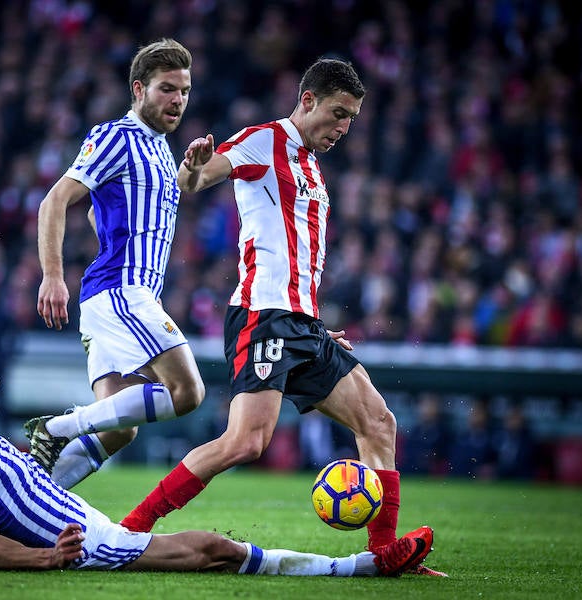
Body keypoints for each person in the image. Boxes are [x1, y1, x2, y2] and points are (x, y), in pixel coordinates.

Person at [117, 58, 446, 577]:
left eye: (352, 120)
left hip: (302, 324)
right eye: (338, 114)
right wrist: (192, 164)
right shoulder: (263, 140)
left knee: (379, 423)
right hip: (263, 317)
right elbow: (194, 182)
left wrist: (310, 322)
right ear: (309, 100)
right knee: (245, 442)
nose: (343, 128)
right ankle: (130, 530)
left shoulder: (312, 166)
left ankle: (385, 556)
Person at [0, 334, 433, 575]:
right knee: (215, 549)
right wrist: (50, 556)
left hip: (45, 498)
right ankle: (359, 570)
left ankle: (88, 430)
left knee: (110, 434)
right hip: (82, 537)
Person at [30, 39, 205, 488]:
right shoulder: (118, 136)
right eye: (167, 89)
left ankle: (31, 496)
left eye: (184, 90)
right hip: (122, 292)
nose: (178, 100)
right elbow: (55, 201)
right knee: (187, 392)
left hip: (111, 297)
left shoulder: (162, 150)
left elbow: (102, 211)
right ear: (139, 88)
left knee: (118, 429)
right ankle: (55, 428)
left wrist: (191, 172)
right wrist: (52, 275)